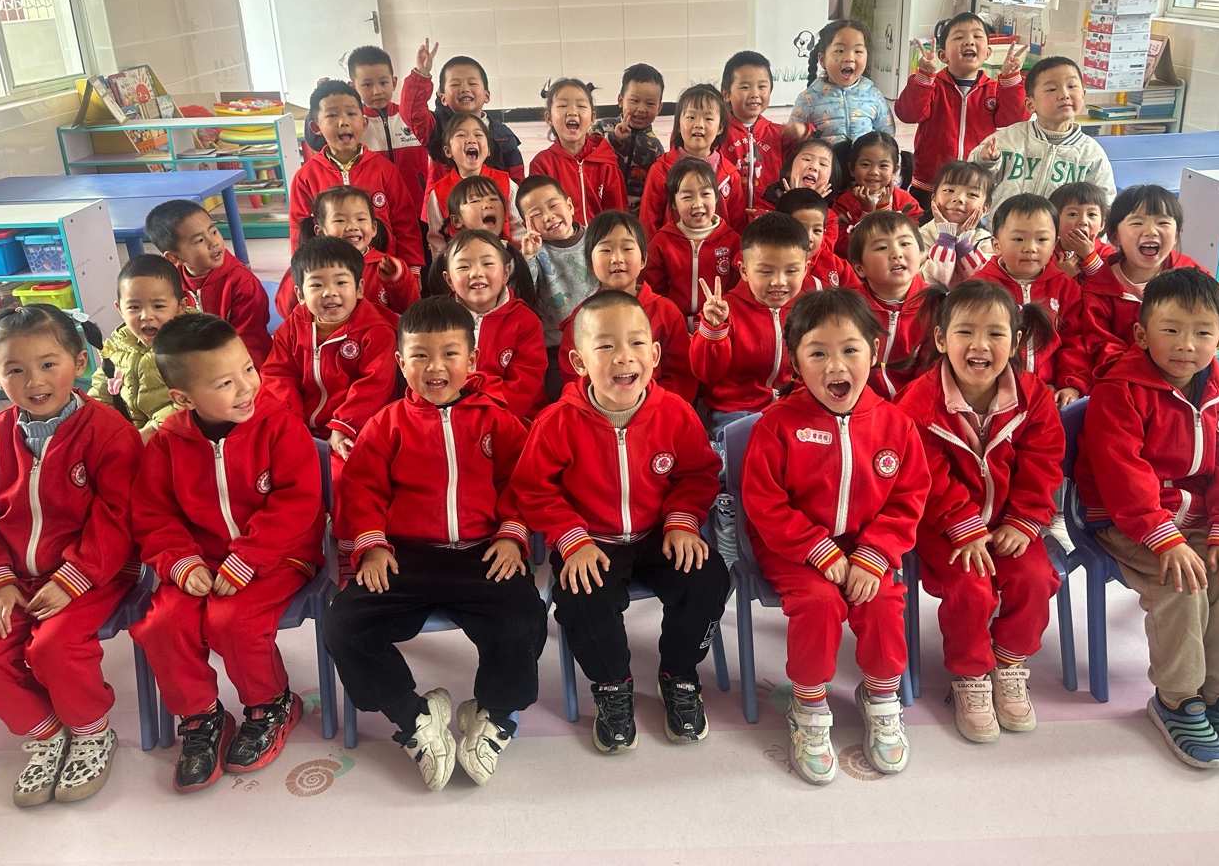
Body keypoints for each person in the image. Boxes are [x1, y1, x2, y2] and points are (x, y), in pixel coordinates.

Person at [323, 297, 546, 790]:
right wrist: (371, 545)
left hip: (482, 552)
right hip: (404, 556)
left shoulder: (498, 419)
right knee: (344, 626)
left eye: (449, 354)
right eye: (420, 356)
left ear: (472, 359)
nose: (435, 367)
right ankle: (414, 717)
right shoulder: (386, 424)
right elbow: (361, 490)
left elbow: (523, 483)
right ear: (401, 363)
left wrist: (513, 533)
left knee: (524, 620)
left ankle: (494, 714)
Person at [513, 290, 731, 753]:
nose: (623, 357)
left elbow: (699, 473)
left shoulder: (675, 412)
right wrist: (571, 539)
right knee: (580, 596)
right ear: (578, 361)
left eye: (635, 343)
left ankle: (679, 674)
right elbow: (533, 489)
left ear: (654, 355)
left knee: (709, 577)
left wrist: (682, 521)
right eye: (606, 346)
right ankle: (612, 684)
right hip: (591, 540)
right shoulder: (556, 422)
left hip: (659, 533)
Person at [0, 305, 142, 807]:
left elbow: (119, 515)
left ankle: (91, 732)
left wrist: (74, 577)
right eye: (15, 369)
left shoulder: (108, 431)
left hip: (93, 574)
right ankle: (47, 733)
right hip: (10, 579)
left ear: (80, 361)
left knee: (53, 647)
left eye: (48, 364)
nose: (34, 381)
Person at [1076, 268, 1219, 770]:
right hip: (1128, 520)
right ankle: (1177, 699)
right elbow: (1121, 472)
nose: (1186, 344)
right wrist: (1165, 538)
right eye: (1171, 330)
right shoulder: (1120, 389)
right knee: (1182, 587)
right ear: (1142, 334)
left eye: (1202, 332)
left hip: (1200, 518)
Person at [741, 289, 929, 784]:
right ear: (795, 361)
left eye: (849, 349)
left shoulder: (896, 424)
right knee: (819, 603)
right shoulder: (776, 425)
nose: (835, 365)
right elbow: (764, 503)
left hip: (866, 547)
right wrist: (818, 550)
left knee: (883, 601)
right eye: (818, 353)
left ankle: (882, 695)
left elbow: (908, 498)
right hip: (793, 548)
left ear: (874, 349)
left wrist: (874, 554)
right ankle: (808, 704)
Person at [131, 314, 325, 793]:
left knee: (231, 621)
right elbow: (153, 515)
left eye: (248, 369)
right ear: (183, 398)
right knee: (161, 625)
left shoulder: (279, 424)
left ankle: (272, 704)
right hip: (201, 562)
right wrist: (180, 562)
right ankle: (201, 716)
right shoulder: (168, 444)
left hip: (279, 556)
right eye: (224, 382)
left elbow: (299, 502)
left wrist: (248, 558)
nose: (246, 387)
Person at [896, 281, 1063, 743]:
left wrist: (1024, 520)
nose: (980, 345)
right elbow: (921, 475)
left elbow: (1045, 463)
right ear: (940, 339)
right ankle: (970, 674)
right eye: (965, 332)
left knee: (1036, 578)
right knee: (970, 587)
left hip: (1010, 522)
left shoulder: (1034, 396)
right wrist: (963, 525)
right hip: (942, 526)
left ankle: (1009, 661)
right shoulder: (918, 402)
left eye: (995, 333)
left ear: (1016, 340)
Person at [260, 236, 399, 467]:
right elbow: (278, 376)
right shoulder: (292, 328)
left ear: (359, 289)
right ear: (300, 295)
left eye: (341, 282)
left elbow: (375, 385)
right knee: (270, 466)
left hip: (355, 427)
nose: (329, 292)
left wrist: (343, 426)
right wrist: (291, 424)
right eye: (317, 285)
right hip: (300, 426)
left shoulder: (376, 331)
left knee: (343, 475)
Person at [289, 79, 422, 278]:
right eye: (332, 115)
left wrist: (412, 268)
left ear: (364, 122)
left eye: (351, 114)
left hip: (382, 272)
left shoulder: (385, 169)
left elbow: (405, 223)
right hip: (331, 276)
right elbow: (299, 231)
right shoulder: (306, 177)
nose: (343, 121)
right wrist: (301, 274)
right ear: (316, 126)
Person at [893, 14, 1029, 208]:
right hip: (930, 183)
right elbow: (907, 114)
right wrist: (923, 77)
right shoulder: (933, 85)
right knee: (924, 226)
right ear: (943, 56)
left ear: (988, 53)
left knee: (970, 227)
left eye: (977, 36)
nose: (969, 42)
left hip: (975, 183)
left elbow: (1015, 118)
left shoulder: (994, 89)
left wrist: (1011, 79)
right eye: (959, 37)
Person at [557, 211, 695, 402]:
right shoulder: (581, 320)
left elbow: (681, 376)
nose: (616, 258)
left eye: (627, 248)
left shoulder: (666, 312)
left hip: (659, 411)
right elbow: (574, 381)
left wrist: (652, 408)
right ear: (589, 263)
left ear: (644, 259)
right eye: (606, 250)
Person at [691, 211, 809, 433]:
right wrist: (714, 329)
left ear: (806, 269)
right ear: (744, 271)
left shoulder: (808, 309)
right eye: (766, 271)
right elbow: (706, 374)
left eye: (792, 271)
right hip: (736, 410)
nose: (779, 281)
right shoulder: (725, 311)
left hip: (793, 406)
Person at [972, 194, 1091, 407]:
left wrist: (1071, 384)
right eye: (1019, 239)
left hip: (1047, 393)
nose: (1030, 248)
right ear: (996, 244)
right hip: (989, 393)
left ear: (1054, 243)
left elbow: (1074, 341)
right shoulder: (977, 288)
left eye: (1042, 239)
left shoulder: (1065, 288)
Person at [1081, 184, 1206, 379]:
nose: (1151, 231)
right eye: (1137, 223)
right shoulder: (1098, 289)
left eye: (1162, 222)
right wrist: (1146, 377)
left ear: (1176, 235)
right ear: (1114, 236)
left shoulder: (1195, 278)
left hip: (1186, 376)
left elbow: (1210, 329)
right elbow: (1102, 345)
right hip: (1125, 379)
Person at [971, 56, 1116, 213]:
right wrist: (985, 162)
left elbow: (1104, 203)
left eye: (1072, 86)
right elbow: (971, 179)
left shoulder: (1092, 154)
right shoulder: (1008, 139)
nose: (1064, 94)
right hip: (1005, 227)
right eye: (1051, 89)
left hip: (1059, 229)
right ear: (1030, 104)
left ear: (1083, 94)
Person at [145, 199, 271, 368]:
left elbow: (251, 343)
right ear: (174, 257)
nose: (213, 242)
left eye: (213, 231)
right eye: (199, 240)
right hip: (192, 363)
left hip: (240, 365)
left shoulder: (243, 283)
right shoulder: (168, 282)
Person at [442, 228, 546, 419]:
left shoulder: (525, 321)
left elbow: (524, 387)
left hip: (513, 418)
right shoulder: (438, 320)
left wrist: (481, 415)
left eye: (487, 263)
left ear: (506, 273)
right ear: (449, 280)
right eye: (464, 267)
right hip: (453, 416)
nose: (476, 273)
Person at [90, 255, 193, 441]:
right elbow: (101, 390)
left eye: (158, 306)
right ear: (120, 309)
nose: (146, 315)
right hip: (130, 434)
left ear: (181, 306)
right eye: (134, 307)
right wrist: (92, 419)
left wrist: (153, 429)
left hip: (175, 435)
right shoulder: (118, 345)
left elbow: (199, 396)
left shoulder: (193, 345)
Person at [275, 186, 417, 321]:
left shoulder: (387, 266)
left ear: (374, 228)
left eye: (360, 219)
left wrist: (397, 279)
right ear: (321, 231)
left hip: (378, 336)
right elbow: (285, 310)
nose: (352, 227)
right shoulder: (310, 265)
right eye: (340, 220)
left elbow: (409, 308)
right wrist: (302, 273)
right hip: (326, 335)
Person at [517, 175, 596, 397]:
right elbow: (523, 293)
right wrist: (528, 257)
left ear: (569, 205)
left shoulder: (596, 238)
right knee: (564, 399)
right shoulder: (532, 253)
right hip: (556, 349)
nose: (548, 216)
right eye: (536, 214)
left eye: (553, 205)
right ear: (525, 225)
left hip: (599, 339)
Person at [324, 42, 438, 196]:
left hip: (416, 202)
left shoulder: (410, 116)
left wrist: (421, 74)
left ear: (394, 83)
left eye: (383, 83)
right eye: (367, 85)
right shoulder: (353, 124)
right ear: (353, 87)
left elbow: (417, 106)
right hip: (373, 204)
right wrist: (322, 100)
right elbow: (319, 139)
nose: (377, 91)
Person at [643, 156, 742, 327]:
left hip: (719, 324)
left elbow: (738, 292)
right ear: (674, 203)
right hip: (674, 326)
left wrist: (722, 319)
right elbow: (654, 293)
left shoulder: (733, 241)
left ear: (716, 197)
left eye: (705, 194)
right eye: (687, 197)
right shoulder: (661, 242)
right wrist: (670, 323)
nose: (697, 203)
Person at [401, 51, 526, 184]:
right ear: (443, 98)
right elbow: (412, 112)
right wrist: (421, 76)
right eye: (455, 84)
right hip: (447, 197)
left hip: (493, 197)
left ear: (486, 95)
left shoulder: (504, 136)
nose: (464, 89)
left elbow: (516, 179)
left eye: (472, 83)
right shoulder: (437, 129)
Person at [639, 84, 746, 237]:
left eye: (708, 118)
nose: (699, 125)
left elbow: (737, 227)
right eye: (691, 117)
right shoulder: (662, 170)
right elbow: (648, 223)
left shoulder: (730, 175)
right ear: (678, 125)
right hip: (671, 251)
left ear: (720, 127)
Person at [850, 211, 933, 400]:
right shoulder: (848, 308)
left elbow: (931, 372)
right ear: (860, 268)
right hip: (860, 403)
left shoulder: (936, 305)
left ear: (921, 253)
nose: (897, 254)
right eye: (882, 247)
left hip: (914, 403)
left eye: (905, 244)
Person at [528, 78, 628, 223]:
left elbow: (618, 215)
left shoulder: (606, 162)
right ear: (549, 118)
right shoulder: (542, 165)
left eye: (581, 106)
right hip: (559, 236)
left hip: (600, 236)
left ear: (593, 117)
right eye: (563, 105)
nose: (572, 112)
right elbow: (539, 214)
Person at [721, 50, 807, 214]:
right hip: (729, 218)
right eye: (745, 87)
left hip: (769, 218)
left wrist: (804, 132)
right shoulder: (718, 133)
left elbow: (809, 151)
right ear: (726, 94)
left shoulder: (779, 134)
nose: (755, 94)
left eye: (762, 86)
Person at [424, 110, 518, 255]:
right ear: (448, 151)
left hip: (504, 260)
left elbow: (518, 228)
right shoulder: (438, 193)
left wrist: (517, 260)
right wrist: (444, 265)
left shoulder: (506, 183)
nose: (471, 140)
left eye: (478, 135)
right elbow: (437, 241)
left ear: (488, 150)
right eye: (461, 135)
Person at [791, 19, 895, 143]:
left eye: (858, 51)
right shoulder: (807, 100)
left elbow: (887, 137)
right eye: (840, 51)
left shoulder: (874, 96)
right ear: (822, 60)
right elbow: (793, 142)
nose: (849, 58)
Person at [591, 63, 666, 211]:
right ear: (621, 100)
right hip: (600, 210)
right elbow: (588, 153)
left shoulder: (656, 147)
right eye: (635, 101)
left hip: (634, 216)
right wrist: (614, 139)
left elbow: (655, 188)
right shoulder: (602, 127)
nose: (641, 109)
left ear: (659, 108)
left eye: (650, 103)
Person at [831, 131, 919, 257]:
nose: (874, 172)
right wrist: (866, 214)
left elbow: (917, 237)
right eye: (865, 164)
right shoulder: (843, 203)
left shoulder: (904, 200)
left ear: (894, 170)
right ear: (852, 169)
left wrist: (884, 210)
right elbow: (842, 248)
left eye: (883, 165)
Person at [755, 137, 842, 253]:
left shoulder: (830, 218)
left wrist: (809, 206)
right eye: (806, 159)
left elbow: (820, 255)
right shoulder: (763, 207)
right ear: (788, 170)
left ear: (830, 180)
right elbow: (762, 248)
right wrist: (791, 204)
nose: (814, 167)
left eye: (823, 164)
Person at [918, 161, 994, 288]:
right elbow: (928, 284)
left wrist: (963, 244)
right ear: (933, 198)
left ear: (985, 208)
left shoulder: (986, 240)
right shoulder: (919, 237)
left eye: (972, 194)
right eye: (949, 190)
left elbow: (985, 283)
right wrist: (946, 239)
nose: (959, 198)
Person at [1049, 181, 1114, 281]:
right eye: (1073, 214)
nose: (1083, 221)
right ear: (1054, 221)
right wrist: (1058, 275)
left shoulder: (1106, 253)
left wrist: (1089, 256)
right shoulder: (1046, 250)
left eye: (1091, 214)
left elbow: (1108, 283)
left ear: (1102, 225)